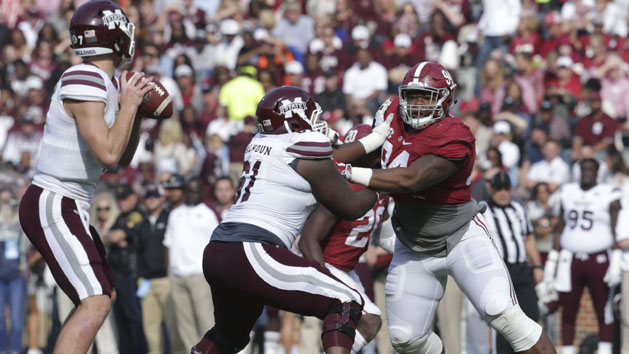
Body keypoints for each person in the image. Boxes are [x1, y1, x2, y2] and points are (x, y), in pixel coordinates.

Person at [339, 61, 555, 354]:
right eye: (411, 95)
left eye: (425, 97)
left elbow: (411, 179)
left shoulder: (456, 134)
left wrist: (348, 172)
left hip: (459, 237)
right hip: (412, 244)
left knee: (502, 311)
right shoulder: (390, 111)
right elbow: (378, 161)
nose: (415, 104)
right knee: (405, 338)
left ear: (446, 98)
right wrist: (333, 150)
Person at [191, 86, 379, 354]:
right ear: (295, 117)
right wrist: (380, 182)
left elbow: (331, 158)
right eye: (311, 114)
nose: (317, 122)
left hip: (219, 249)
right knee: (346, 300)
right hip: (253, 251)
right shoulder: (305, 145)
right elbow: (350, 206)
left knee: (229, 335)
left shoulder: (259, 141)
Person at [17, 1, 154, 353]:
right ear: (114, 34)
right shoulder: (85, 76)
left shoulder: (102, 81)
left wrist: (134, 113)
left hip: (71, 201)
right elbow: (108, 154)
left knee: (101, 295)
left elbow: (119, 159)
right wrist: (128, 105)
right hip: (54, 199)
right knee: (95, 300)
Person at [299, 124, 389, 354]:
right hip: (327, 265)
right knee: (369, 321)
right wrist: (323, 280)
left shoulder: (381, 187)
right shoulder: (343, 188)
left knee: (369, 324)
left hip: (348, 269)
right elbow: (308, 239)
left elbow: (386, 229)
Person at [543, 158, 621, 354]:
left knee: (604, 310)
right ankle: (567, 350)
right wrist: (551, 264)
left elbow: (616, 229)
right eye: (583, 169)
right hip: (571, 259)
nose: (587, 173)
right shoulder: (568, 192)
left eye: (590, 170)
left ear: (597, 172)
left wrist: (616, 261)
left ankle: (604, 350)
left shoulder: (608, 194)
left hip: (599, 259)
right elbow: (560, 229)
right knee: (567, 310)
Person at [481, 170, 544, 354]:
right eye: (498, 188)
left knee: (532, 314)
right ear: (491, 189)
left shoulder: (518, 209)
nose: (502, 193)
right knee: (505, 321)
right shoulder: (483, 209)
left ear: (511, 189)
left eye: (506, 188)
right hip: (500, 271)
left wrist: (538, 265)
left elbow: (529, 238)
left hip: (522, 268)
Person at [164, 177, 218, 351]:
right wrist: (169, 270)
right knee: (184, 324)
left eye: (196, 191)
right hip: (177, 275)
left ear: (202, 192)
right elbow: (168, 243)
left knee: (205, 321)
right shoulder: (175, 213)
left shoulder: (208, 214)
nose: (192, 194)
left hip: (199, 274)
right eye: (189, 191)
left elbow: (216, 246)